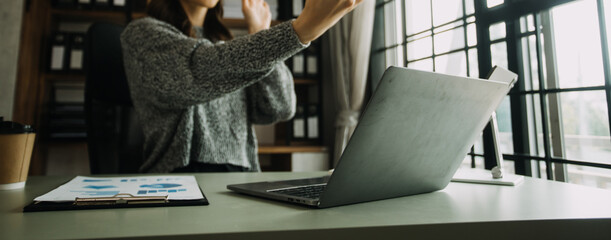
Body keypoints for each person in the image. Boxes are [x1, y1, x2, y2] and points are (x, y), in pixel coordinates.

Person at [120, 0, 362, 173]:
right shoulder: (142, 34)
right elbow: (199, 69)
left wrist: (260, 31)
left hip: (242, 177)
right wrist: (300, 31)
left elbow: (280, 107)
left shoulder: (231, 47)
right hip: (177, 179)